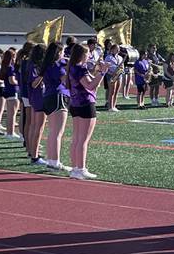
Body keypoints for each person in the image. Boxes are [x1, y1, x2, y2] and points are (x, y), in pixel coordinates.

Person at [67, 43, 109, 179]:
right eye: (87, 54)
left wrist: (98, 72)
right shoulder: (80, 69)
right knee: (83, 140)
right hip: (85, 104)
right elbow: (90, 86)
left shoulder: (73, 67)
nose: (90, 56)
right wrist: (102, 72)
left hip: (75, 104)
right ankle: (81, 168)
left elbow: (90, 82)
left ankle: (75, 168)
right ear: (82, 55)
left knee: (77, 139)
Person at [40, 42, 71, 172]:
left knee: (53, 132)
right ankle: (56, 161)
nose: (64, 54)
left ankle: (51, 161)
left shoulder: (47, 64)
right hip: (58, 96)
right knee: (58, 132)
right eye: (62, 51)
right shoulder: (58, 66)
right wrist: (71, 65)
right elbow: (65, 80)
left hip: (49, 96)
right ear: (58, 52)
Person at [26, 44, 48, 166]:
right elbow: (34, 84)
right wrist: (42, 74)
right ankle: (35, 156)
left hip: (36, 98)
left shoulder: (34, 65)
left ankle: (32, 152)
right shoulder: (35, 66)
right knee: (38, 128)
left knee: (35, 127)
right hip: (38, 97)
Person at [0, 47, 21, 139]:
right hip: (13, 91)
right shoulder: (11, 68)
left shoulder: (5, 67)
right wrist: (19, 82)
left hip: (7, 91)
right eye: (14, 57)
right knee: (12, 114)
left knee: (10, 114)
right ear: (12, 57)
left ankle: (9, 132)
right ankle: (10, 133)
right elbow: (12, 80)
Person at [103, 43, 123, 112]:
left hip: (119, 75)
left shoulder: (120, 57)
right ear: (112, 50)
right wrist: (113, 72)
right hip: (111, 75)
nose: (118, 50)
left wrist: (121, 69)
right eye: (116, 49)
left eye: (118, 49)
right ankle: (110, 107)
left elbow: (122, 66)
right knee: (112, 91)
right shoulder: (108, 57)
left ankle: (114, 106)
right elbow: (107, 66)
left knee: (117, 91)